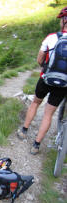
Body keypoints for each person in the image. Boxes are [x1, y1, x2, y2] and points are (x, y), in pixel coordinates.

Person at [17, 7, 67, 155]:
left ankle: (24, 130)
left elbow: (39, 59)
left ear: (64, 21)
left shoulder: (51, 37)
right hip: (64, 84)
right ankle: (36, 145)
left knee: (36, 102)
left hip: (45, 79)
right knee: (48, 114)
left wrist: (45, 70)